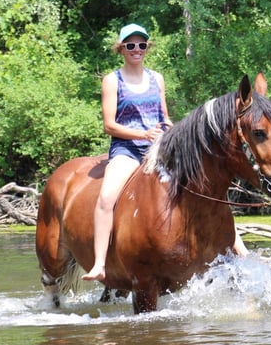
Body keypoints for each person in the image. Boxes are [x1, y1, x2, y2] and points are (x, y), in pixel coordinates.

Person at [82, 23, 249, 283]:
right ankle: (100, 263)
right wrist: (142, 134)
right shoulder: (112, 80)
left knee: (206, 192)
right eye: (130, 45)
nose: (136, 50)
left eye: (141, 45)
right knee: (106, 198)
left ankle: (237, 247)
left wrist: (173, 131)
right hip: (127, 150)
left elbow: (164, 116)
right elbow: (109, 125)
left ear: (147, 48)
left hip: (159, 148)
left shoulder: (156, 78)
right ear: (121, 49)